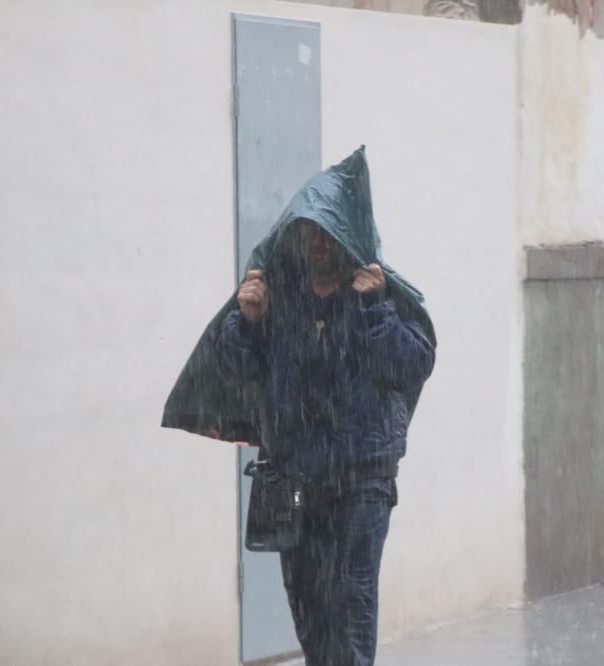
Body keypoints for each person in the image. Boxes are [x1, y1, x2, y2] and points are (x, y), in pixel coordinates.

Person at [162, 147, 436, 666]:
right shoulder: (277, 298)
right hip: (295, 481)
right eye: (309, 232)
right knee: (311, 608)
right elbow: (231, 369)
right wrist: (245, 321)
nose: (317, 243)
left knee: (351, 603)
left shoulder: (378, 294)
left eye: (328, 234)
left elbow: (412, 366)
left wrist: (375, 310)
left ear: (349, 237)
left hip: (362, 480)